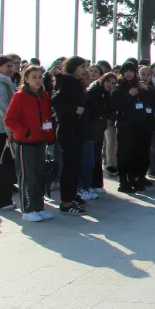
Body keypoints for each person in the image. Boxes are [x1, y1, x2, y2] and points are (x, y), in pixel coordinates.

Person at [4, 65, 63, 218]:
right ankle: (28, 209)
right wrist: (25, 131)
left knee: (39, 175)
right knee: (27, 176)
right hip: (25, 143)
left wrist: (49, 136)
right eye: (34, 77)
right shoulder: (20, 96)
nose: (37, 80)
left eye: (39, 76)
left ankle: (39, 206)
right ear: (26, 79)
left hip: (41, 141)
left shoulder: (44, 96)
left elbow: (47, 118)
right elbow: (9, 120)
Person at [51, 57, 91, 205]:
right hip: (69, 131)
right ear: (73, 67)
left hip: (76, 130)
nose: (85, 70)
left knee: (74, 166)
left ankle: (72, 195)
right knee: (69, 167)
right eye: (82, 67)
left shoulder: (75, 83)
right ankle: (66, 201)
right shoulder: (67, 82)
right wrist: (75, 110)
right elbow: (57, 102)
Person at [111, 61, 149, 193]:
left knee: (136, 153)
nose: (128, 74)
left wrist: (147, 90)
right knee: (124, 153)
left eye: (131, 71)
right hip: (125, 125)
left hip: (139, 124)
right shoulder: (119, 87)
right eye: (126, 71)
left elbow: (152, 100)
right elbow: (116, 106)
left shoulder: (139, 85)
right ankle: (123, 181)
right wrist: (129, 96)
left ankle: (134, 179)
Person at [86, 72, 115, 192]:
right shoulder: (93, 92)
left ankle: (97, 184)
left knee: (97, 156)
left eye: (113, 83)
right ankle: (91, 184)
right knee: (92, 157)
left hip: (99, 128)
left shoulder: (105, 94)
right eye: (108, 81)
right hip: (91, 128)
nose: (110, 85)